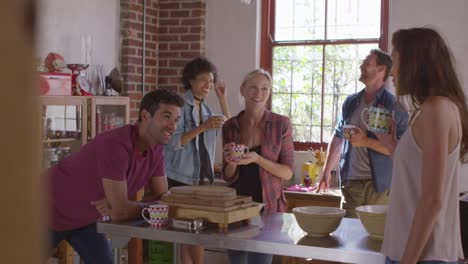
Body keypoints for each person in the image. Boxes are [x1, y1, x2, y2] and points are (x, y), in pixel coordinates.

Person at [48, 89, 185, 264]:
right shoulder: (116, 145)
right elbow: (121, 212)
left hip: (84, 220)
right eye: (166, 117)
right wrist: (126, 206)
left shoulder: (156, 149)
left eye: (176, 120)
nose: (173, 126)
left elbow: (164, 200)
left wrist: (127, 205)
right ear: (145, 115)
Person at [380, 27, 467, 264]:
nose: (391, 73)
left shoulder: (436, 109)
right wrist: (393, 147)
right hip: (411, 251)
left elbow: (433, 198)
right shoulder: (429, 110)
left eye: (395, 61)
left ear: (414, 63)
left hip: (422, 255)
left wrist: (407, 261)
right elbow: (421, 175)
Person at [317, 49, 409, 218]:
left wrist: (365, 141)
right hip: (351, 183)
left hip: (379, 186)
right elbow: (338, 136)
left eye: (367, 64)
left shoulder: (392, 105)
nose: (361, 66)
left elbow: (401, 150)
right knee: (349, 235)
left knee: (373, 236)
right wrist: (326, 170)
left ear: (382, 70)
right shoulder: (351, 102)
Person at [222, 69, 294, 264]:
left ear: (269, 93)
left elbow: (287, 173)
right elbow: (228, 177)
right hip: (236, 208)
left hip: (269, 207)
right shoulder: (230, 126)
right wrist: (230, 162)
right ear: (243, 90)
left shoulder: (281, 124)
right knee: (237, 261)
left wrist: (258, 159)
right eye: (253, 87)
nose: (258, 94)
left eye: (264, 89)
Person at [163, 57, 230, 263]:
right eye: (203, 80)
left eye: (210, 81)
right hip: (180, 178)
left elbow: (228, 128)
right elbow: (173, 141)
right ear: (190, 80)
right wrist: (203, 127)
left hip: (200, 179)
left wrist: (222, 98)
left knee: (195, 234)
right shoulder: (179, 107)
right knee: (189, 235)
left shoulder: (207, 110)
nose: (207, 85)